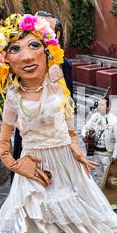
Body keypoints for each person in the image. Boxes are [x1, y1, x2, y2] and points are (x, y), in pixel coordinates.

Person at [0, 13, 117, 233]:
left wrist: (76, 149)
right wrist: (16, 166)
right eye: (15, 48)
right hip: (36, 170)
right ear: (5, 61)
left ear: (48, 51)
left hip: (68, 168)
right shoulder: (13, 97)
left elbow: (69, 128)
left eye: (34, 45)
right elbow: (3, 145)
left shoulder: (58, 85)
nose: (26, 56)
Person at [11, 11, 74, 184]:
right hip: (28, 130)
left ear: (57, 35)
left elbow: (69, 99)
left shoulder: (65, 65)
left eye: (47, 29)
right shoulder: (21, 61)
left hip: (54, 133)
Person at [81, 88, 117, 210]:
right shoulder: (94, 117)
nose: (100, 107)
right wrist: (84, 135)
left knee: (108, 177)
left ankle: (111, 200)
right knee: (99, 176)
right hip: (96, 151)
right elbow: (85, 128)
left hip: (107, 153)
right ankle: (102, 199)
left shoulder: (115, 121)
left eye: (103, 105)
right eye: (99, 105)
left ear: (108, 107)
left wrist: (115, 155)